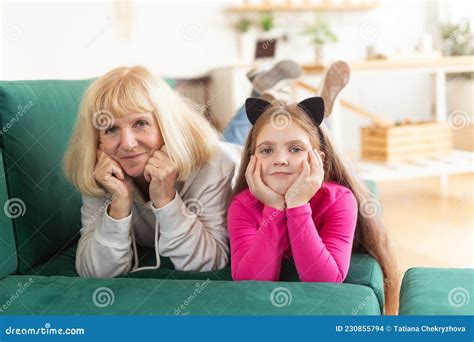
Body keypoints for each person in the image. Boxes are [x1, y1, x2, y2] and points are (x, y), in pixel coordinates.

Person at [226, 96, 398, 314]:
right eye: (267, 150)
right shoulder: (242, 205)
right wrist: (275, 207)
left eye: (295, 149)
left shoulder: (340, 200)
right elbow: (251, 280)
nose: (280, 159)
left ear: (319, 161)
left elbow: (325, 280)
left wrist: (297, 205)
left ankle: (326, 110)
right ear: (252, 160)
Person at [64, 65, 239, 278]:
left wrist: (166, 199)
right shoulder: (101, 169)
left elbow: (209, 263)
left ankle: (265, 93)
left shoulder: (217, 167)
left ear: (166, 127)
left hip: (234, 153)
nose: (127, 144)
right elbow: (94, 273)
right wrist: (118, 205)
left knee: (243, 132)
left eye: (140, 123)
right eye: (111, 129)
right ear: (97, 139)